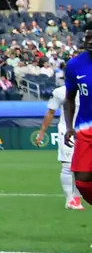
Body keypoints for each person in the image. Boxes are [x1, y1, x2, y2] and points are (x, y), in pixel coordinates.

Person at [57, 33, 92, 210]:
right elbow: (69, 98)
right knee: (81, 181)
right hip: (85, 131)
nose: (90, 41)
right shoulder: (75, 65)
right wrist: (69, 126)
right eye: (88, 37)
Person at [34, 83, 83, 210]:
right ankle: (69, 199)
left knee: (85, 168)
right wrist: (41, 132)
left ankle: (76, 199)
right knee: (67, 165)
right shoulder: (60, 92)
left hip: (86, 131)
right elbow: (50, 112)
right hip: (67, 131)